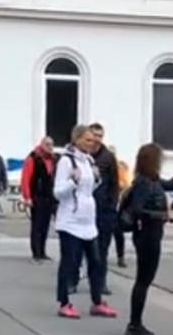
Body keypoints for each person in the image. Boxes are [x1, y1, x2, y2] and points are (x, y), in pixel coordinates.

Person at [119, 144, 173, 335]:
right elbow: (138, 209)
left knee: (144, 280)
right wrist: (164, 214)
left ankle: (136, 323)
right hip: (147, 234)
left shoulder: (151, 180)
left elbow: (170, 185)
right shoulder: (144, 183)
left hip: (151, 233)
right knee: (143, 280)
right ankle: (134, 324)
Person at [55, 125, 117, 319]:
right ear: (77, 140)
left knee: (96, 263)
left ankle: (97, 302)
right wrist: (73, 181)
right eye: (88, 140)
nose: (93, 143)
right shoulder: (66, 161)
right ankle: (64, 302)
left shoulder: (89, 160)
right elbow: (58, 192)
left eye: (94, 140)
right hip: (70, 221)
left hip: (88, 221)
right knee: (70, 263)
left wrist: (96, 179)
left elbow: (88, 189)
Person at [88, 123, 119, 296]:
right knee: (81, 248)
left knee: (102, 249)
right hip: (84, 208)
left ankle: (100, 282)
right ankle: (73, 278)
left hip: (103, 209)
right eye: (94, 135)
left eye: (100, 135)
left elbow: (114, 183)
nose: (97, 139)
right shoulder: (83, 154)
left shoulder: (108, 157)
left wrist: (112, 205)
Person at [21, 137, 55, 262]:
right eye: (47, 144)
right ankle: (36, 252)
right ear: (41, 145)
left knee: (45, 225)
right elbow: (26, 179)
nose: (50, 147)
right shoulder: (33, 158)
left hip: (49, 196)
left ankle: (42, 251)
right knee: (37, 225)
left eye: (51, 144)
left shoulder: (53, 159)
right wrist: (27, 197)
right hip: (37, 196)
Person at [115, 158, 130, 267]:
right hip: (109, 210)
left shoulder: (125, 185)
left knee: (119, 235)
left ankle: (121, 257)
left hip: (119, 212)